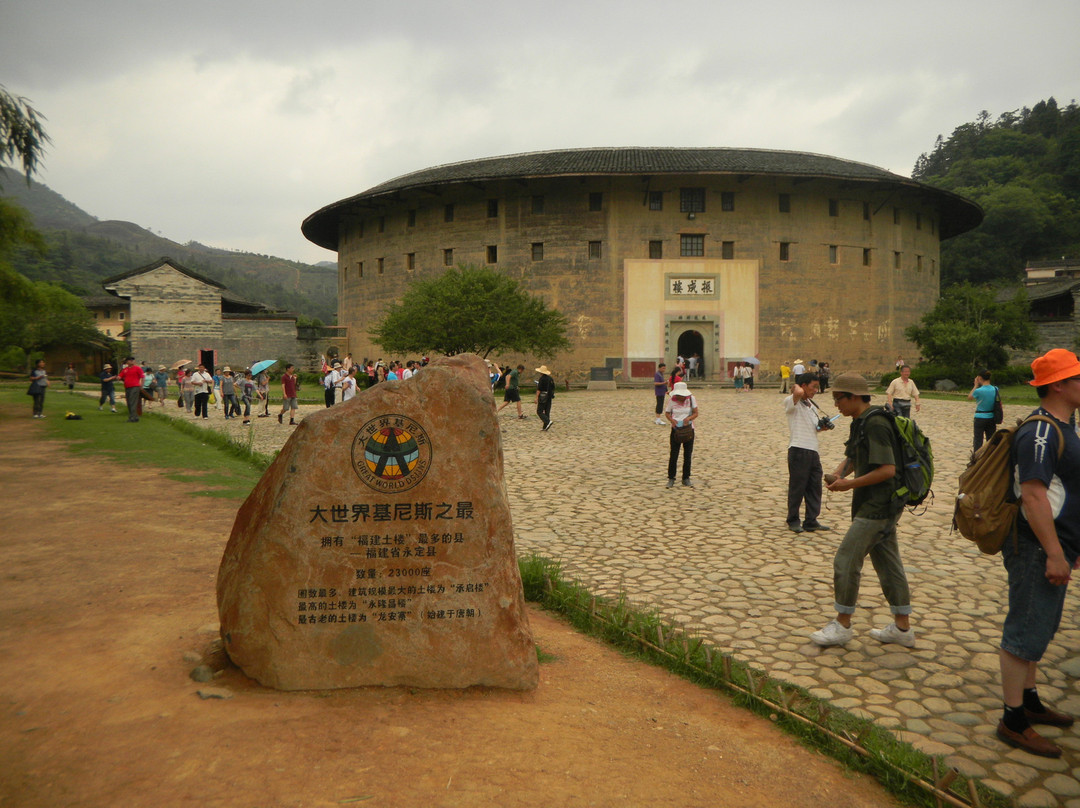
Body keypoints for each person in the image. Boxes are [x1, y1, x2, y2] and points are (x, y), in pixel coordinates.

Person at [994, 349, 1080, 758]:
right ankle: (1013, 720)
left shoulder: (1065, 424)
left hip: (1056, 545)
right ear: (1059, 385)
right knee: (1024, 629)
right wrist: (1054, 553)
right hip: (1035, 547)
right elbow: (1032, 494)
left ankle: (1028, 699)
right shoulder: (1041, 432)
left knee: (1040, 627)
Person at [810, 372, 914, 648]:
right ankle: (903, 629)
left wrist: (849, 484)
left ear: (854, 397)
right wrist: (837, 475)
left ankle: (843, 623)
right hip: (879, 505)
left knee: (845, 560)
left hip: (878, 506)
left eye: (838, 398)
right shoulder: (860, 422)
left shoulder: (877, 423)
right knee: (888, 564)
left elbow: (887, 469)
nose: (836, 405)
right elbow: (855, 456)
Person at [785, 372, 831, 534]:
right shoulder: (792, 402)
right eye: (813, 387)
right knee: (797, 487)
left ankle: (811, 520)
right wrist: (798, 385)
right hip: (798, 448)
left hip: (813, 450)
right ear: (803, 386)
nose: (816, 391)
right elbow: (796, 392)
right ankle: (793, 519)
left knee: (814, 487)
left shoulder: (812, 406)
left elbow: (815, 428)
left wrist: (823, 427)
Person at [664, 380, 698, 488]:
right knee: (674, 454)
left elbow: (696, 413)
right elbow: (667, 413)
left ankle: (686, 477)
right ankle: (671, 478)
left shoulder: (691, 399)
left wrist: (689, 418)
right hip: (676, 430)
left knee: (687, 455)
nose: (680, 398)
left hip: (688, 429)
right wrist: (671, 420)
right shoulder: (672, 401)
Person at [969, 370, 998, 453]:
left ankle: (977, 458)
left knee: (978, 440)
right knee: (991, 439)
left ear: (980, 378)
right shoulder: (995, 389)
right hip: (991, 416)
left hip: (980, 417)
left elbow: (970, 397)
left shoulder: (979, 391)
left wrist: (975, 385)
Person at [118, 356, 145, 423]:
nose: (131, 361)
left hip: (135, 386)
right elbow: (120, 376)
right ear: (127, 362)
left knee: (132, 401)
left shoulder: (137, 368)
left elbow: (142, 377)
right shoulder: (125, 369)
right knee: (129, 402)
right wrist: (118, 377)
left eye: (132, 360)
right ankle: (134, 416)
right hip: (127, 387)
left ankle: (132, 417)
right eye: (130, 360)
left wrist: (141, 385)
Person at [535, 365, 555, 431]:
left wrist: (536, 398)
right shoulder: (550, 378)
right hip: (549, 396)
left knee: (539, 411)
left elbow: (539, 389)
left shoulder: (542, 379)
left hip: (543, 396)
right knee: (547, 411)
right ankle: (545, 426)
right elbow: (553, 387)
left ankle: (548, 421)